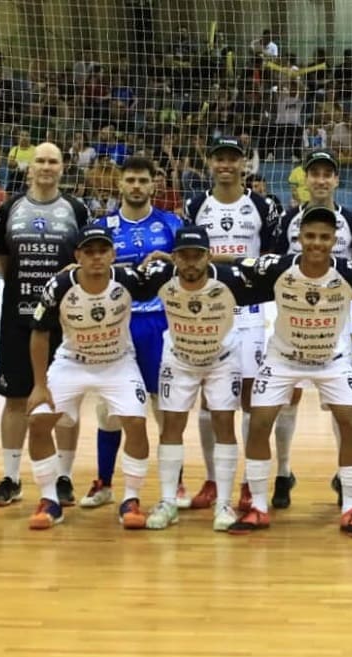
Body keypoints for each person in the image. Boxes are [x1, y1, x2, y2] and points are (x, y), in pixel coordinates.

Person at [225, 206, 352, 537]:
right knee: (259, 422)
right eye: (310, 236)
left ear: (335, 240)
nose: (316, 243)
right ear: (299, 238)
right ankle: (258, 507)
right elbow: (233, 265)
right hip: (282, 359)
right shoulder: (277, 267)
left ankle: (350, 508)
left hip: (331, 360)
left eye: (324, 237)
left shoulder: (351, 271)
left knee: (350, 422)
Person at [24, 224, 160, 530]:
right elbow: (39, 334)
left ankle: (131, 500)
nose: (96, 257)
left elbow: (174, 275)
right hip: (72, 362)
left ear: (113, 254)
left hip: (118, 363)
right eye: (89, 252)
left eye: (103, 251)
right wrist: (39, 385)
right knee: (38, 420)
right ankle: (49, 501)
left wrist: (164, 259)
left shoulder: (128, 279)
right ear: (78, 256)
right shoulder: (59, 285)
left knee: (137, 423)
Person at [137, 228, 262, 531]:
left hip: (221, 361)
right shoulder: (160, 277)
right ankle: (168, 501)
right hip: (179, 360)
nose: (191, 263)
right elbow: (118, 276)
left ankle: (223, 504)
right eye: (184, 256)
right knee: (171, 425)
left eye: (198, 256)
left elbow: (263, 268)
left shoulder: (229, 278)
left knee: (223, 423)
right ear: (175, 257)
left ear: (208, 256)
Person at [0, 142, 88, 508]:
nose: (46, 167)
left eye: (53, 161)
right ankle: (11, 478)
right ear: (30, 167)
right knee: (15, 399)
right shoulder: (10, 207)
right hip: (19, 317)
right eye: (40, 161)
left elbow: (84, 260)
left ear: (62, 168)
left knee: (64, 402)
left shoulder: (76, 209)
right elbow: (1, 259)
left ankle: (63, 477)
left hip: (65, 322)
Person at [183, 137, 280, 510]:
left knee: (251, 399)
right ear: (210, 163)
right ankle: (212, 479)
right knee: (211, 401)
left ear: (244, 165)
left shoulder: (262, 205)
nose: (226, 165)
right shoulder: (196, 204)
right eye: (219, 159)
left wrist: (233, 263)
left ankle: (247, 482)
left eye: (233, 159)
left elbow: (271, 257)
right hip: (207, 312)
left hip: (252, 311)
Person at [87, 156, 182, 510]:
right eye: (131, 180)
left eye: (143, 180)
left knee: (164, 407)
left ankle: (177, 485)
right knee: (108, 409)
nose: (137, 186)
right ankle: (104, 483)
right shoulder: (103, 226)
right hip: (116, 324)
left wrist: (171, 261)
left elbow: (192, 268)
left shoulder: (171, 224)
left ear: (154, 184)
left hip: (160, 322)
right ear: (120, 184)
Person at [271, 148, 352, 508]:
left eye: (328, 174)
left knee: (342, 406)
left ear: (336, 180)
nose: (321, 180)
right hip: (290, 319)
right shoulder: (287, 219)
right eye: (315, 174)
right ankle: (282, 473)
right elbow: (273, 265)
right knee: (286, 400)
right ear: (306, 180)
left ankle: (344, 476)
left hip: (335, 323)